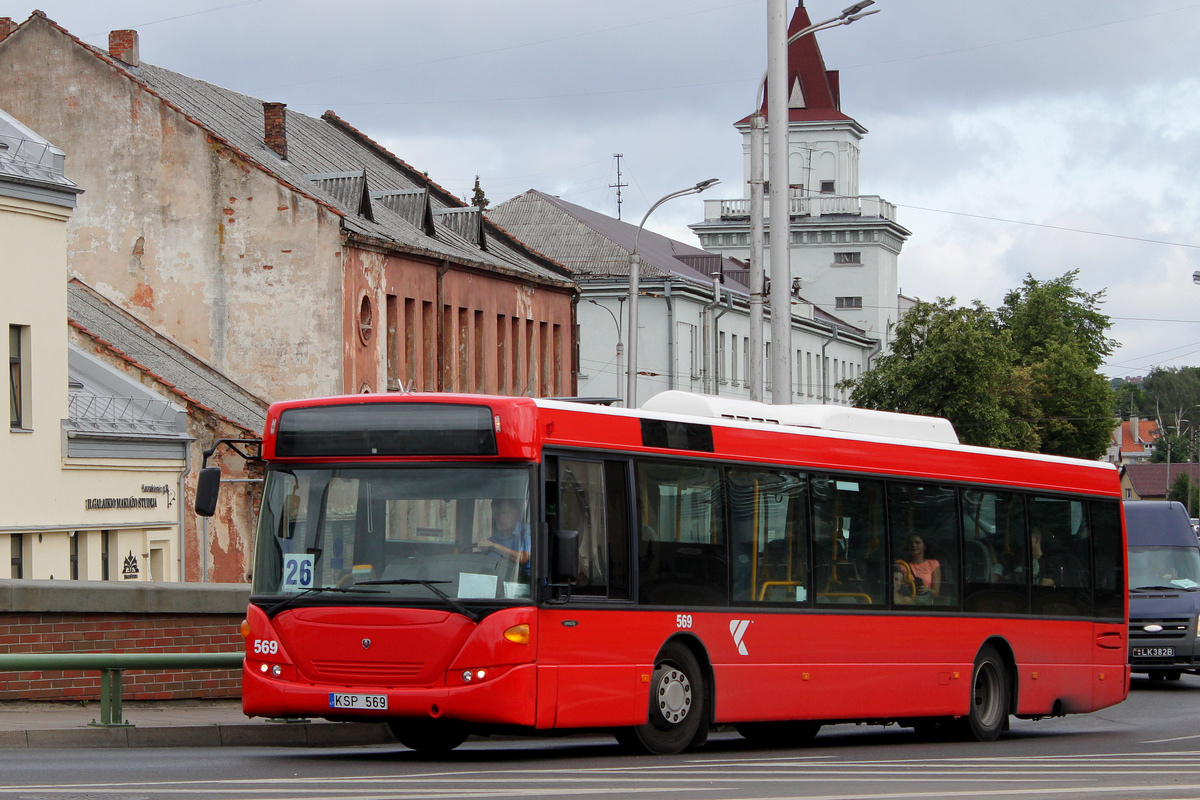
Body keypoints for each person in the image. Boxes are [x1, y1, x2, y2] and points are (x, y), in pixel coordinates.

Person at [477, 498, 531, 574]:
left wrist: (494, 546)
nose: (500, 518)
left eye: (504, 513)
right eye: (497, 514)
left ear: (516, 513)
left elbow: (522, 558)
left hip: (523, 581)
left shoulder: (526, 533)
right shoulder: (493, 539)